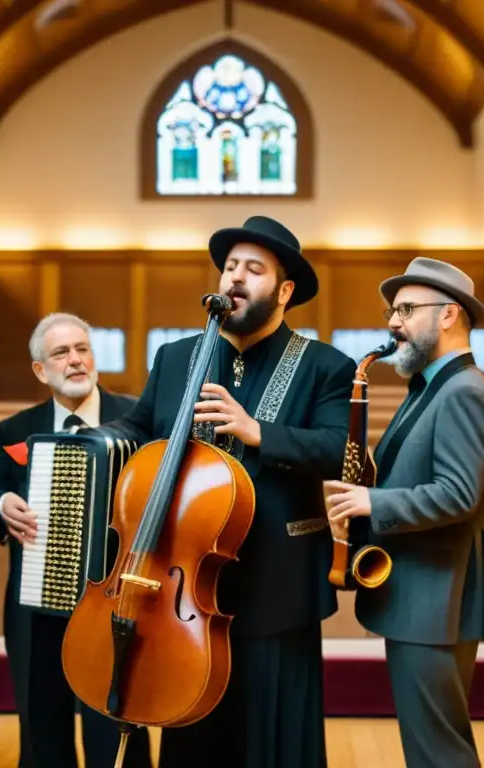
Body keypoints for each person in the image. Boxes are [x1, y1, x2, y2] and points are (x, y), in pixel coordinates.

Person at [90, 215, 356, 768]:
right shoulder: (176, 357)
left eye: (253, 269)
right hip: (181, 585)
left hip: (276, 583)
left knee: (276, 736)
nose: (235, 277)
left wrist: (260, 432)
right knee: (194, 730)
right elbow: (141, 429)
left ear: (284, 291)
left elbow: (340, 451)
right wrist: (94, 439)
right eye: (230, 266)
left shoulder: (326, 366)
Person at [325, 258, 484, 768]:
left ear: (449, 316)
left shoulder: (463, 391)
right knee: (432, 745)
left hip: (437, 599)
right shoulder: (432, 385)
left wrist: (370, 502)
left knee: (438, 751)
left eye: (406, 309)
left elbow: (457, 494)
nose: (392, 322)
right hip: (425, 597)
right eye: (392, 310)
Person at [0, 312, 151, 768]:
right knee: (40, 722)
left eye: (82, 349)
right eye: (61, 353)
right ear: (41, 369)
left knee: (116, 722)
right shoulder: (17, 428)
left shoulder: (136, 415)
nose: (75, 361)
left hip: (116, 599)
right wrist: (1, 504)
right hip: (38, 605)